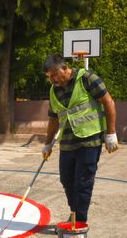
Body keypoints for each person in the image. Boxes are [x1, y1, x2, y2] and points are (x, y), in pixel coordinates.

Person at [41, 53, 118, 225]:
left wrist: (111, 133)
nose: (52, 79)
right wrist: (47, 145)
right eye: (49, 77)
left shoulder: (87, 79)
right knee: (67, 180)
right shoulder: (54, 91)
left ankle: (79, 221)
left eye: (54, 74)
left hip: (89, 141)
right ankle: (75, 213)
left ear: (65, 68)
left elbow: (108, 102)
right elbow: (54, 119)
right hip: (67, 143)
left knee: (83, 182)